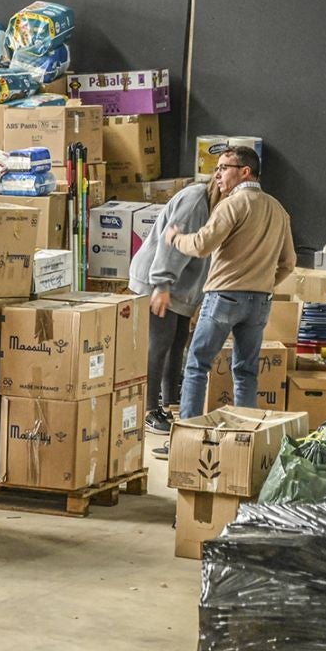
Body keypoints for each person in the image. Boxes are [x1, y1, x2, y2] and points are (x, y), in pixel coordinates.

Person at [159, 145, 295, 456]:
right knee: (245, 370)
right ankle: (245, 442)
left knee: (196, 366)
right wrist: (262, 284)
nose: (217, 174)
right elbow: (289, 262)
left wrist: (175, 238)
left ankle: (186, 442)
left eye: (224, 167)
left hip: (224, 297)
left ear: (245, 171)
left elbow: (203, 245)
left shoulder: (233, 204)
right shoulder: (277, 209)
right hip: (260, 302)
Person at [128, 179, 215, 437]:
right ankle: (148, 409)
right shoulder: (197, 200)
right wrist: (162, 284)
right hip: (159, 281)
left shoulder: (219, 205)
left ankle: (169, 403)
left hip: (182, 285)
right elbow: (170, 243)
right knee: (160, 343)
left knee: (178, 341)